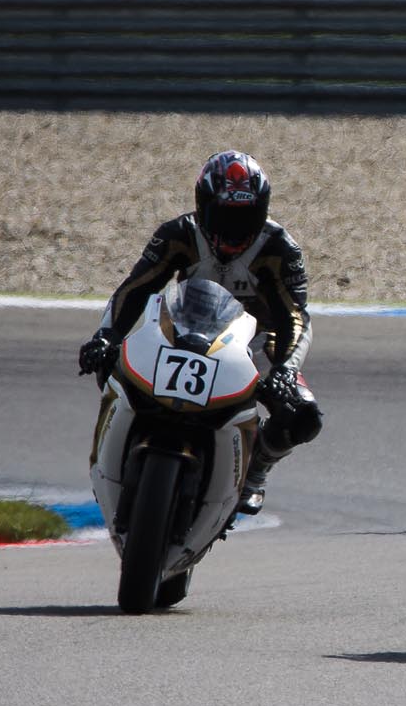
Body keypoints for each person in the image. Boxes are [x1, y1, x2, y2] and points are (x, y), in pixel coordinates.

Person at [77, 150, 322, 516]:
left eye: (245, 218)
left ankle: (255, 472)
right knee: (109, 361)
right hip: (178, 330)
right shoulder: (178, 234)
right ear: (202, 207)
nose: (234, 231)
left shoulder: (280, 249)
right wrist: (105, 336)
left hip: (253, 344)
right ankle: (115, 458)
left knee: (303, 413)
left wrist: (286, 369)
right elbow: (134, 290)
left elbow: (295, 318)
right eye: (224, 217)